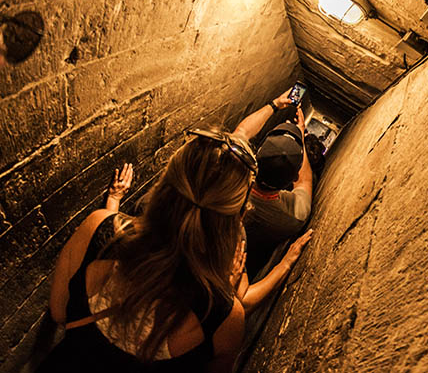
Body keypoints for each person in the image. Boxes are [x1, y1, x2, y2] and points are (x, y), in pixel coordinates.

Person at [39, 129, 311, 372]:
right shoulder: (226, 320)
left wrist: (114, 202)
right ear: (237, 219)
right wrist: (225, 292)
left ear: (165, 185)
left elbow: (60, 313)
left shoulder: (97, 226)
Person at [233, 90, 313, 277]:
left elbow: (242, 132)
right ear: (291, 178)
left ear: (256, 155)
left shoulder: (231, 178)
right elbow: (305, 181)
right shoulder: (294, 216)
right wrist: (300, 135)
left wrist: (275, 104)